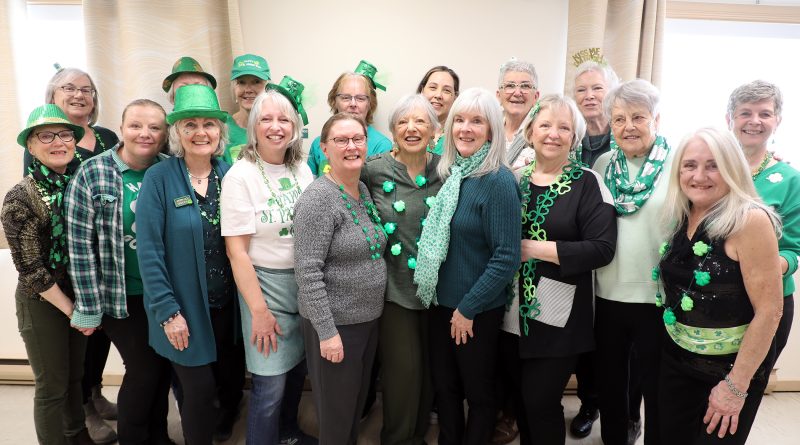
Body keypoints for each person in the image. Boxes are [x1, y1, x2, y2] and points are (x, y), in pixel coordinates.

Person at [656, 127, 782, 444]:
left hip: (728, 372)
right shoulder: (682, 212)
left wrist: (735, 387)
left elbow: (769, 311)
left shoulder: (749, 220)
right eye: (690, 165)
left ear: (732, 168)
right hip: (676, 362)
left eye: (713, 165)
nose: (700, 175)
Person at [136, 84, 243, 445]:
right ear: (178, 133)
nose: (201, 132)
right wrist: (168, 312)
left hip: (229, 308)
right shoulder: (160, 179)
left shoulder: (231, 176)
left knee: (228, 386)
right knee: (197, 393)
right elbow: (149, 251)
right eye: (190, 125)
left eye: (209, 124)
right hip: (183, 310)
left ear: (220, 131)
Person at [414, 88, 521, 445]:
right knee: (444, 389)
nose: (465, 128)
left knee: (479, 394)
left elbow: (505, 257)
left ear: (492, 130)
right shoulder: (452, 175)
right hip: (440, 303)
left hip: (474, 310)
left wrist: (467, 309)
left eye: (477, 121)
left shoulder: (499, 181)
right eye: (459, 119)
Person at [65, 99, 174, 445]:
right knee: (143, 369)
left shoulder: (171, 170)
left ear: (164, 133)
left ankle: (158, 435)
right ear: (122, 129)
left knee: (160, 368)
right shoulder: (93, 172)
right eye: (136, 125)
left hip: (163, 293)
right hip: (119, 296)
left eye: (155, 127)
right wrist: (88, 306)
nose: (145, 133)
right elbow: (79, 246)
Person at [510, 94, 617, 444]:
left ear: (575, 137)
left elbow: (601, 249)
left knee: (540, 401)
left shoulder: (588, 183)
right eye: (544, 125)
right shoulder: (513, 179)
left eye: (564, 127)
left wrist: (533, 249)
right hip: (509, 310)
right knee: (520, 403)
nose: (553, 134)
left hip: (559, 310)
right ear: (529, 132)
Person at [221, 81, 316, 445]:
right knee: (270, 385)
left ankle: (288, 433)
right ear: (253, 127)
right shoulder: (240, 176)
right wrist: (259, 311)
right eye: (266, 120)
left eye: (284, 119)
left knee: (296, 374)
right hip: (265, 288)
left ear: (294, 127)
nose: (276, 126)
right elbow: (237, 252)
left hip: (302, 286)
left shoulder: (301, 170)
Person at [31, 68, 121, 443]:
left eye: (87, 89)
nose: (79, 95)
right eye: (69, 88)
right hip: (68, 256)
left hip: (108, 251)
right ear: (53, 95)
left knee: (100, 335)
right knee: (78, 336)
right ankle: (81, 406)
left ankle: (94, 392)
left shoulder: (108, 137)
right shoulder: (43, 143)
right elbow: (43, 198)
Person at [2, 104, 94, 445]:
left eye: (65, 134)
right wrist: (73, 311)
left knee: (75, 378)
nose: (58, 142)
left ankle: (77, 434)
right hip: (42, 299)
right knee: (52, 385)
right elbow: (31, 269)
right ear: (31, 145)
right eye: (46, 136)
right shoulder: (19, 198)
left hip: (79, 293)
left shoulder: (85, 180)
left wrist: (85, 302)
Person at [294, 113, 387, 444]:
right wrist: (327, 332)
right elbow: (307, 271)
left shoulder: (361, 188)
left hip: (367, 322)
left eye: (358, 139)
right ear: (324, 148)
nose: (351, 147)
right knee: (335, 416)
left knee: (353, 407)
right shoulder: (318, 199)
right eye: (341, 140)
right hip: (337, 325)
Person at [592, 79, 673, 445]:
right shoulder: (604, 163)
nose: (628, 127)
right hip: (607, 292)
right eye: (619, 118)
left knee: (656, 387)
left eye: (638, 117)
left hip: (658, 296)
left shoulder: (678, 163)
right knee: (610, 385)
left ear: (657, 118)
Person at [360, 94, 444, 444]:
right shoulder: (373, 169)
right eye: (403, 123)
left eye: (420, 121)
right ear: (392, 131)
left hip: (440, 290)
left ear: (435, 130)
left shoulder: (446, 169)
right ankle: (396, 438)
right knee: (402, 372)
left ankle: (418, 434)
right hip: (394, 288)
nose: (411, 128)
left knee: (428, 371)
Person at [726, 80, 798, 366]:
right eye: (745, 113)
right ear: (730, 119)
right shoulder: (711, 170)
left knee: (745, 390)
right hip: (711, 297)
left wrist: (759, 267)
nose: (754, 121)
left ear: (777, 121)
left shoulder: (791, 180)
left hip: (766, 303)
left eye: (765, 114)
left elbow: (793, 251)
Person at [568, 59, 621, 439]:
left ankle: (617, 409)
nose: (589, 96)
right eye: (581, 90)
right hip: (576, 255)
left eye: (596, 88)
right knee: (583, 337)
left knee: (615, 342)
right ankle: (589, 402)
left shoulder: (627, 137)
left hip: (618, 258)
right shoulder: (569, 139)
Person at [306, 60, 392, 176]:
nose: (353, 104)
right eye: (345, 97)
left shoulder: (382, 146)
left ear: (370, 104)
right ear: (334, 101)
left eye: (360, 98)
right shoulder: (318, 144)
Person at [223, 53, 271, 164]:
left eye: (256, 82)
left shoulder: (276, 127)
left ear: (267, 87)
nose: (248, 89)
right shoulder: (222, 127)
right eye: (241, 82)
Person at [496, 58, 540, 168]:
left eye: (525, 86)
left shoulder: (543, 133)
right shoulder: (488, 128)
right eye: (510, 86)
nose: (517, 93)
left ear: (536, 97)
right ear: (498, 96)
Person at [415, 66, 459, 154]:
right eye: (433, 88)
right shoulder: (406, 128)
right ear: (422, 90)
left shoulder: (459, 136)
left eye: (446, 90)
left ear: (455, 97)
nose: (438, 95)